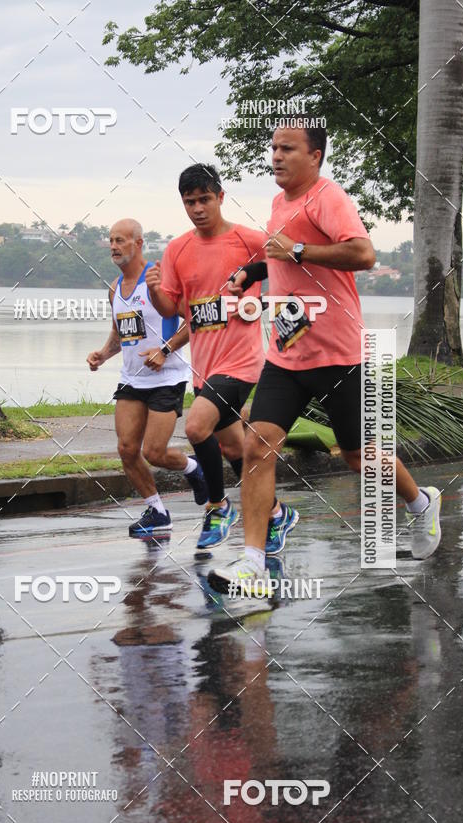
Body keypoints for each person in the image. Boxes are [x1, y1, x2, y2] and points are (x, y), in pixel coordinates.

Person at [209, 121, 442, 604]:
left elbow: (364, 253)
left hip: (339, 356)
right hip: (287, 354)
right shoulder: (279, 202)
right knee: (258, 446)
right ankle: (252, 564)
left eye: (287, 148)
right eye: (272, 147)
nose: (276, 156)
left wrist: (296, 249)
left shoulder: (329, 198)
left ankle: (420, 503)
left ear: (314, 156)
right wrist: (249, 273)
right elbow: (280, 259)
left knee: (359, 458)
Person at [146, 164, 298, 552]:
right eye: (189, 202)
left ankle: (218, 506)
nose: (197, 208)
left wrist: (263, 293)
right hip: (205, 367)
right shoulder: (178, 248)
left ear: (220, 197)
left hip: (243, 362)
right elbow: (172, 310)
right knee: (234, 450)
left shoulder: (248, 239)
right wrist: (152, 292)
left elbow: (287, 266)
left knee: (196, 427)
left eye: (204, 199)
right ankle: (278, 512)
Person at [87, 218, 208, 537]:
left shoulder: (159, 277)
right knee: (127, 449)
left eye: (121, 240)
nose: (113, 246)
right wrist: (103, 353)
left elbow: (193, 319)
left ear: (139, 243)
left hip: (167, 377)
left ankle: (195, 469)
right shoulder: (115, 289)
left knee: (155, 452)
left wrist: (165, 350)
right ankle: (157, 511)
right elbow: (120, 333)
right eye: (111, 240)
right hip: (132, 379)